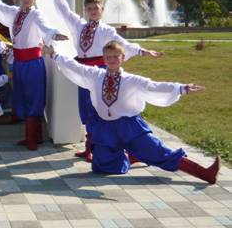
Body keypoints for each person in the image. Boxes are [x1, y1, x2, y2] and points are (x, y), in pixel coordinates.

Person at [45, 41, 219, 183]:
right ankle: (132, 156)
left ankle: (205, 173)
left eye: (116, 56)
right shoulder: (95, 75)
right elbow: (75, 67)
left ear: (123, 58)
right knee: (102, 167)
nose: (112, 60)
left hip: (130, 127)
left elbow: (154, 86)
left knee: (159, 152)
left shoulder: (132, 80)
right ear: (104, 59)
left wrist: (181, 88)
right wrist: (54, 54)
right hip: (105, 128)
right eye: (108, 57)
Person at [49, 0, 162, 162]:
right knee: (86, 109)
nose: (93, 11)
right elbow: (65, 11)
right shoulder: (79, 25)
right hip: (83, 72)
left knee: (99, 109)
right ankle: (89, 147)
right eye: (89, 8)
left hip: (99, 72)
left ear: (102, 10)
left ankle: (103, 148)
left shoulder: (107, 30)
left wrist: (142, 51)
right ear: (86, 10)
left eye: (96, 8)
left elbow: (122, 44)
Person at [0, 0, 68, 150]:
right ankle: (32, 137)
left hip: (33, 63)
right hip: (19, 62)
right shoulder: (16, 12)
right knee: (21, 95)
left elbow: (45, 26)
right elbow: (2, 8)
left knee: (34, 96)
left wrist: (54, 34)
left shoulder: (36, 14)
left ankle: (32, 139)